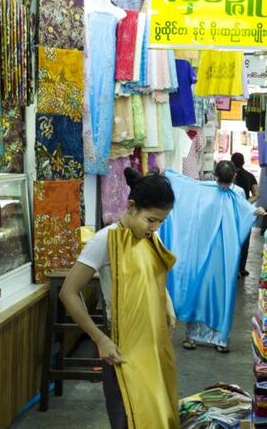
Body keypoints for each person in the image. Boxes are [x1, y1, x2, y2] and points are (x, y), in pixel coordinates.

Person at [60, 168, 179, 429]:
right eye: (151, 220)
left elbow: (153, 275)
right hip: (121, 345)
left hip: (152, 340)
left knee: (156, 412)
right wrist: (99, 339)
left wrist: (167, 303)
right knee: (128, 415)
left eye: (161, 221)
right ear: (132, 206)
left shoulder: (148, 237)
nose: (155, 227)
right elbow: (68, 292)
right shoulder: (105, 240)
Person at [159, 162, 265, 354]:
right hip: (205, 248)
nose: (223, 186)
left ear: (232, 177)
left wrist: (253, 212)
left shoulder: (238, 193)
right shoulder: (204, 189)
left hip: (225, 251)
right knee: (200, 289)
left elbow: (243, 212)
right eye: (221, 182)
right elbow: (186, 189)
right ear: (218, 177)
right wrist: (170, 176)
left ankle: (220, 338)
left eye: (226, 182)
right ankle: (193, 336)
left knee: (221, 292)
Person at [231, 153, 259, 277]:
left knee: (231, 238)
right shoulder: (250, 176)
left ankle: (232, 268)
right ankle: (242, 268)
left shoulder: (228, 175)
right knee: (245, 239)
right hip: (245, 212)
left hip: (230, 210)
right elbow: (256, 194)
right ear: (243, 162)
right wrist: (246, 203)